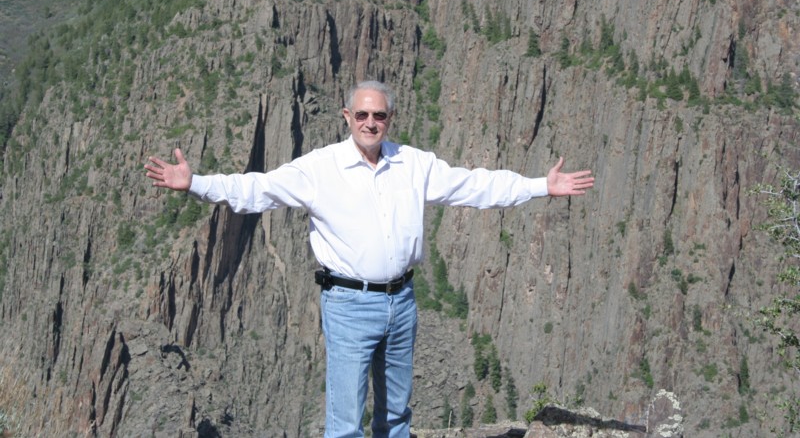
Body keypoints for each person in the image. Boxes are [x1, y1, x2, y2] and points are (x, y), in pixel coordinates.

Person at [144, 80, 594, 438]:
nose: (370, 122)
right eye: (362, 114)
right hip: (348, 306)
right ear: (347, 117)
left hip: (402, 302)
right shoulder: (319, 169)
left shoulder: (413, 164)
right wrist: (196, 182)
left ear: (390, 118)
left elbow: (474, 187)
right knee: (345, 425)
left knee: (396, 417)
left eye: (379, 115)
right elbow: (254, 190)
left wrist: (539, 186)